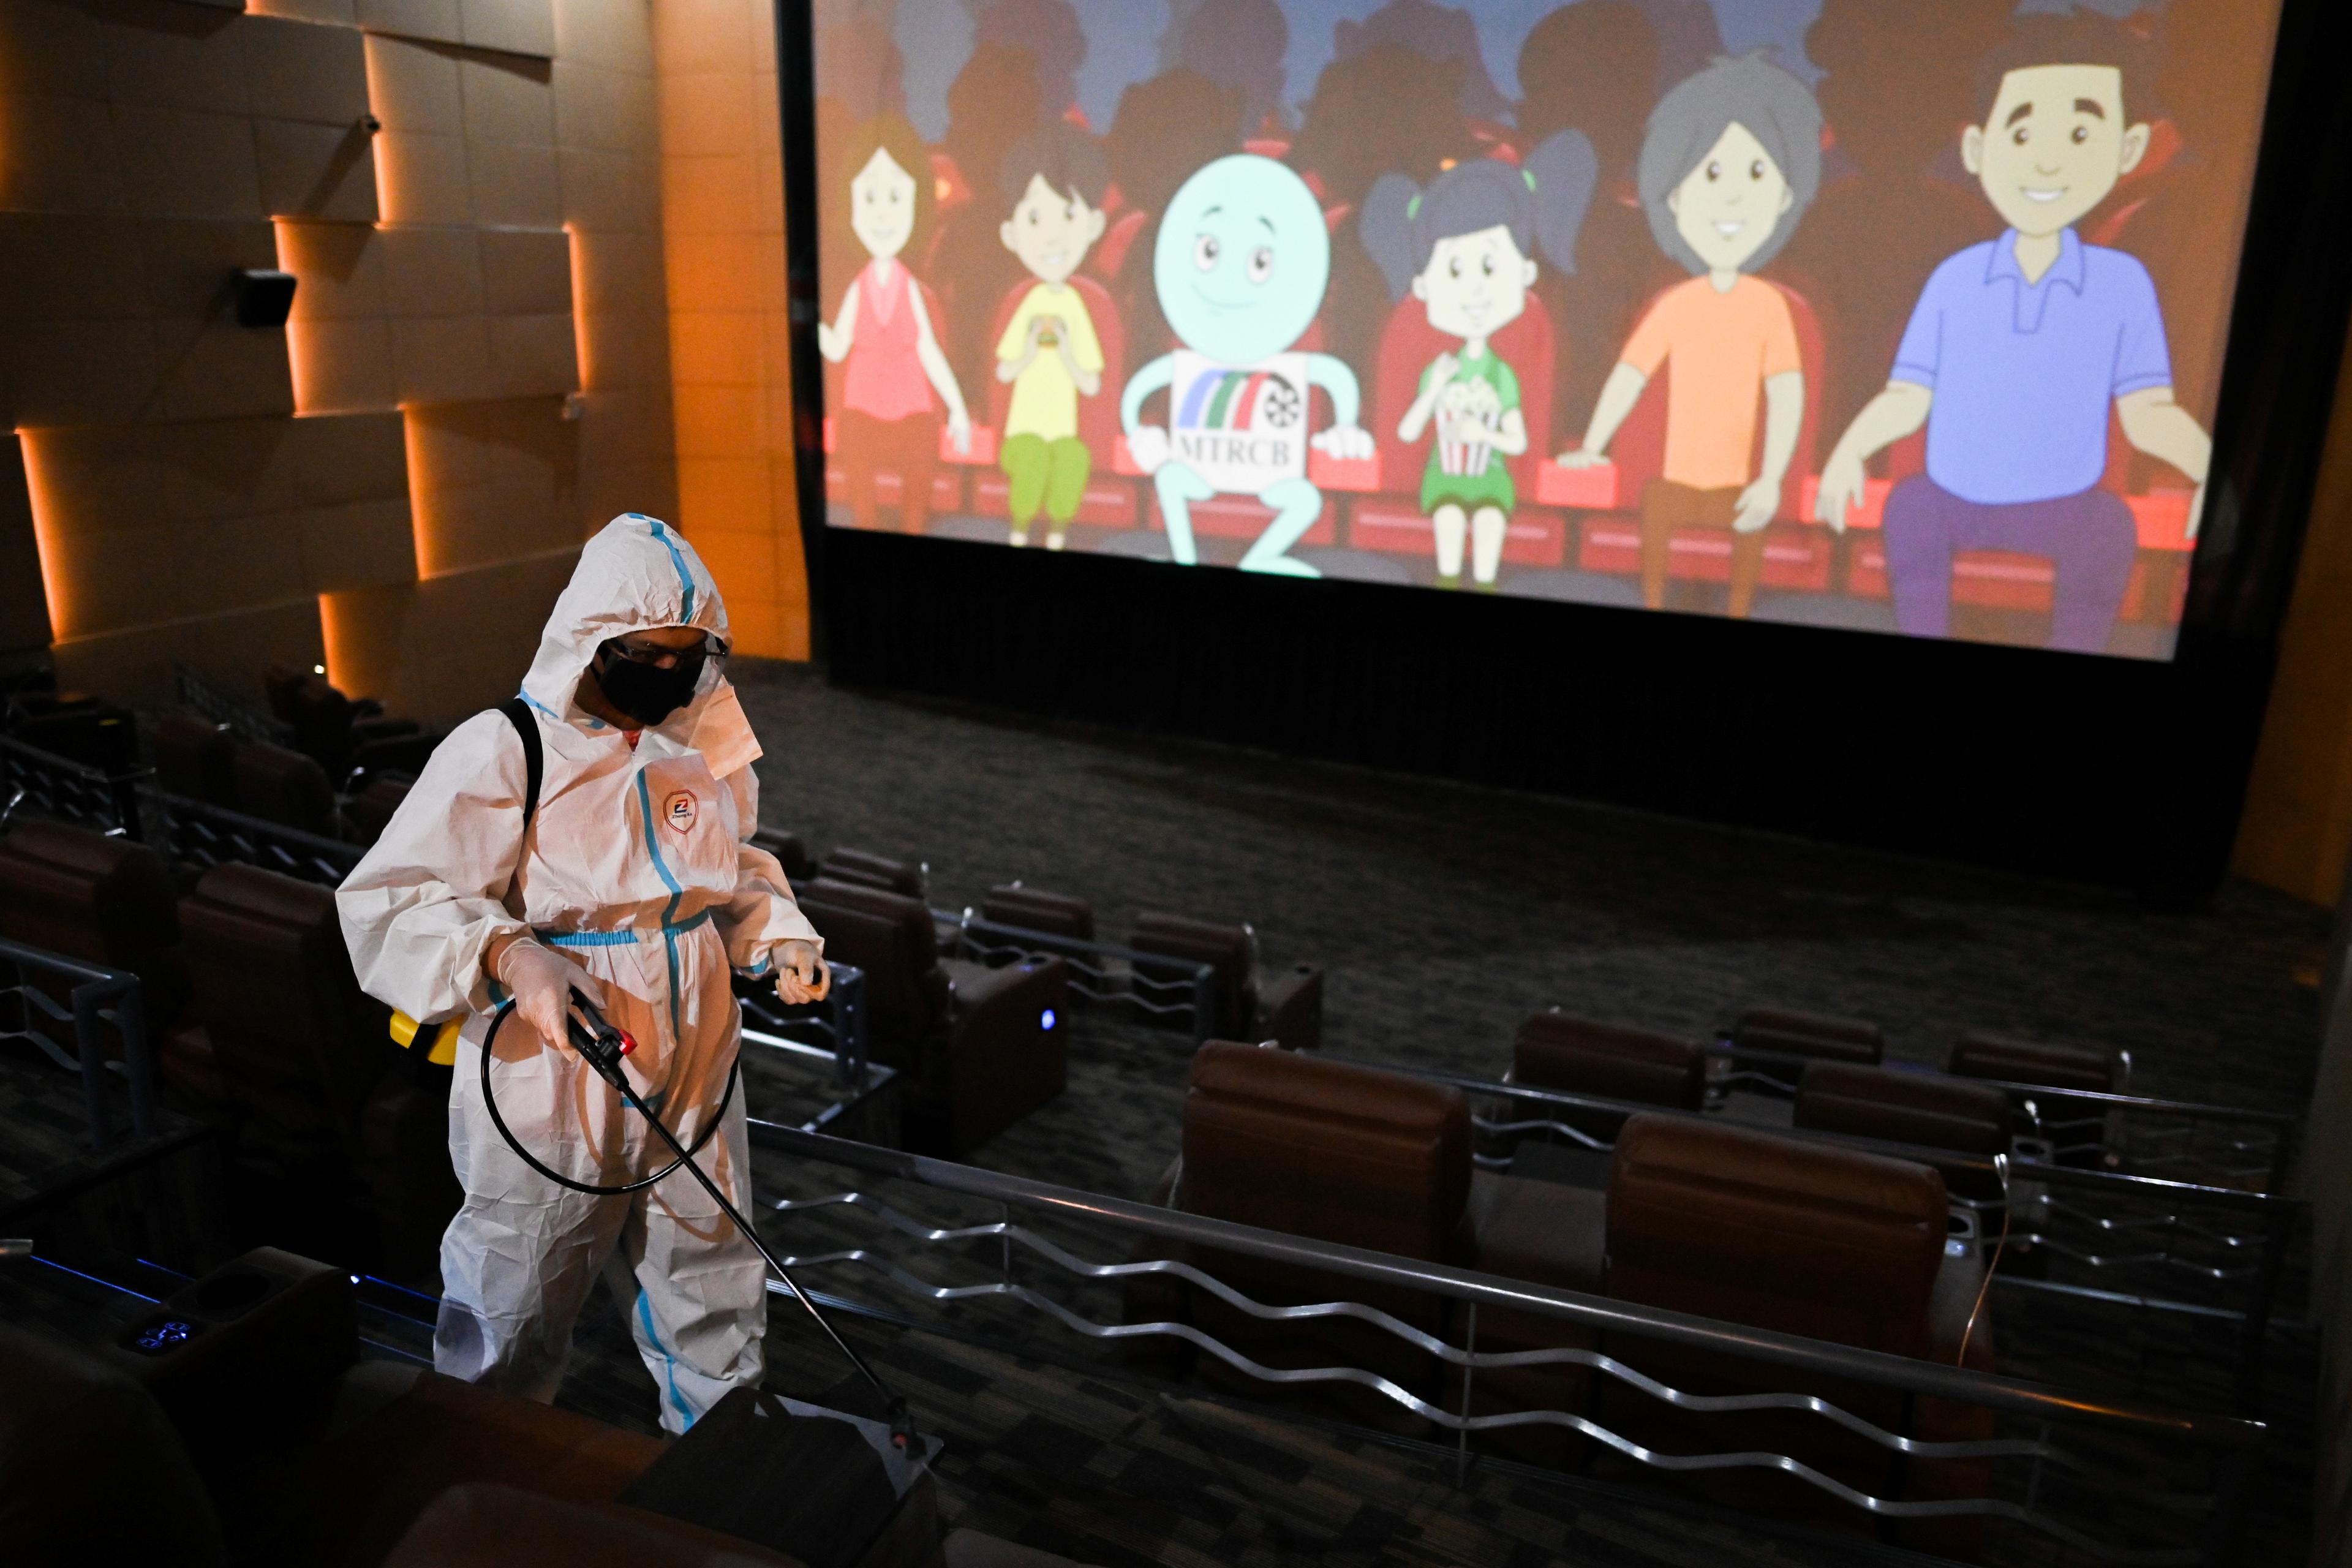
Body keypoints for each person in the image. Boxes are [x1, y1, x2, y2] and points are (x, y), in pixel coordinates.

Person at [337, 513, 830, 1433]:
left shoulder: (694, 739)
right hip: (558, 1063)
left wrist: (779, 932)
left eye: (690, 655)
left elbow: (734, 871)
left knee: (713, 1271)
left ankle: (718, 1469)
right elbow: (391, 898)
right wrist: (511, 952)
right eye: (649, 652)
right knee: (517, 1290)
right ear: (593, 640)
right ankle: (482, 1469)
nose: (670, 675)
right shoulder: (507, 748)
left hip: (699, 1058)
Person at [1812, 15, 2211, 654]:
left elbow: (2149, 413)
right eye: (2023, 133)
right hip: (1956, 498)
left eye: (2082, 133)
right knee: (1910, 510)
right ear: (1978, 148)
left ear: (2128, 149)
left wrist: (2207, 474)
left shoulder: (2122, 284)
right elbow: (1908, 395)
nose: (2048, 159)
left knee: (2109, 528)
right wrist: (1847, 453)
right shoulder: (1956, 278)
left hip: (2066, 503)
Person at [1556, 53, 1822, 618]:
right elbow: (1630, 377)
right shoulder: (1674, 306)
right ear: (1674, 196)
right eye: (1710, 172)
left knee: (1743, 572)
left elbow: (1787, 396)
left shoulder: (1771, 309)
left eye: (1756, 172)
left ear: (1783, 194)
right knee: (1656, 549)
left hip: (1740, 487)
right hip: (1673, 485)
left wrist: (1771, 479)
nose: (1731, 198)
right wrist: (1594, 446)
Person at [1119, 154, 1377, 577]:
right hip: (1197, 473)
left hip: (1276, 480)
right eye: (1209, 252)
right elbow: (1140, 391)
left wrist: (1345, 427)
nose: (1229, 283)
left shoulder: (1301, 354)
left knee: (1306, 500)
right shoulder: (1187, 354)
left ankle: (1261, 559)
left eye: (1260, 263)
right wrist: (1140, 432)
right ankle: (1183, 554)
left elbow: (1337, 381)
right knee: (1170, 480)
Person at [1360, 141, 1596, 587]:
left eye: (1490, 266)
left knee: (1489, 528)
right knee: (1447, 522)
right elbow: (1404, 434)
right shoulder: (1415, 334)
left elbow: (1522, 438)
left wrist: (1485, 434)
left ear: (1525, 273)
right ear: (1423, 284)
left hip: (1494, 485)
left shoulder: (1523, 341)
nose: (1474, 291)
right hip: (1437, 484)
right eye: (1454, 271)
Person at [820, 115, 975, 536]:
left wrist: (958, 409)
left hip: (912, 413)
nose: (882, 214)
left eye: (895, 198)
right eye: (870, 198)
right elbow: (835, 347)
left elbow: (928, 351)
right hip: (862, 412)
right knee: (855, 452)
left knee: (919, 474)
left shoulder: (910, 289)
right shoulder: (859, 286)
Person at [993, 121, 1110, 550]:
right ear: (1011, 233)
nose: (1053, 235)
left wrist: (1066, 354)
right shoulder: (1026, 302)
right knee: (1036, 458)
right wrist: (1027, 349)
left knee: (1072, 458)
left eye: (1068, 215)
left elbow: (1092, 382)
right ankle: (1020, 531)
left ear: (1094, 224)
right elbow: (1005, 373)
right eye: (1036, 218)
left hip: (1064, 434)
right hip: (1021, 436)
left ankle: (1059, 536)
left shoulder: (1077, 307)